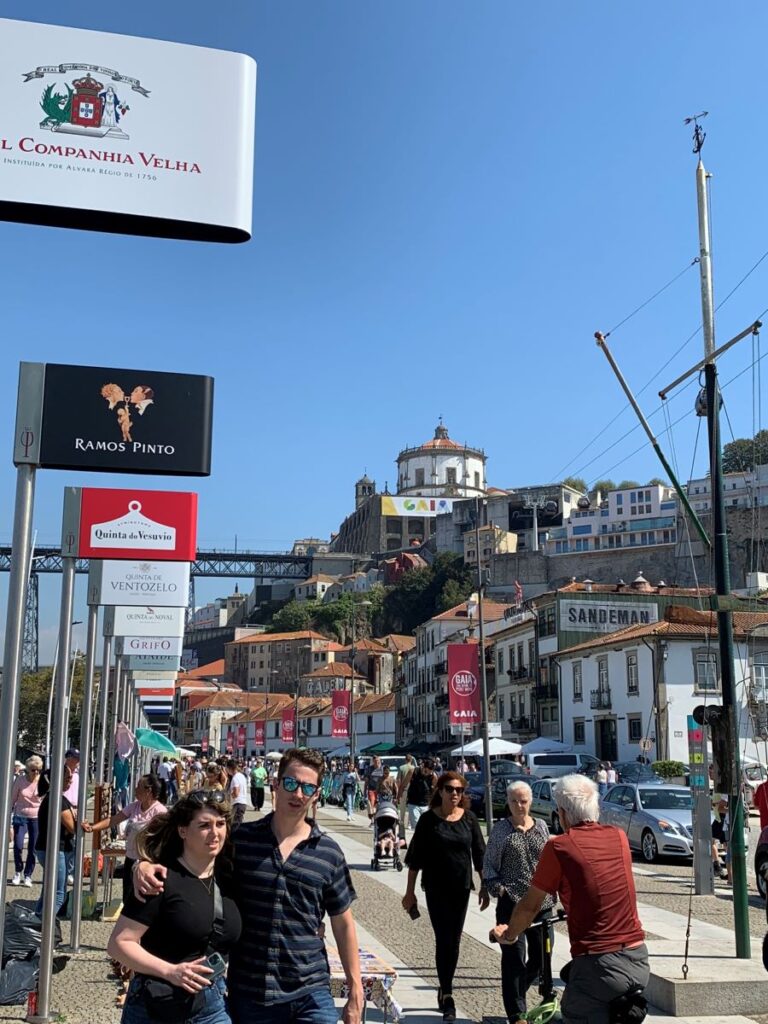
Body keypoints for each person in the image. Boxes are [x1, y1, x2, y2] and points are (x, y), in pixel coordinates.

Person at [134, 747, 364, 1024]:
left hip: (310, 991)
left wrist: (356, 989)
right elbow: (191, 863)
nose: (298, 794)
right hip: (252, 992)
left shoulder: (329, 853)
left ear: (316, 794)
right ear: (275, 785)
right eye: (291, 783)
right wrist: (142, 865)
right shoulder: (241, 842)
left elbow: (343, 922)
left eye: (307, 787)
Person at [492, 774, 649, 1024]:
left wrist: (509, 935)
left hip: (598, 964)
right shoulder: (619, 837)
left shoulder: (560, 847)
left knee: (570, 1014)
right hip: (638, 960)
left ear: (562, 814)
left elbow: (530, 906)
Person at [108, 790, 241, 1024]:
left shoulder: (230, 875)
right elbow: (119, 944)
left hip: (211, 1004)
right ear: (183, 831)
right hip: (157, 1003)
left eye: (220, 824)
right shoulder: (158, 879)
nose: (215, 833)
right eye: (204, 825)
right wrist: (171, 971)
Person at [403, 771, 489, 1022]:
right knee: (444, 939)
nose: (455, 794)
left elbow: (480, 855)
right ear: (440, 790)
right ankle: (448, 993)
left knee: (455, 940)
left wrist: (484, 886)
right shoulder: (429, 820)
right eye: (450, 789)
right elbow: (414, 858)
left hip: (461, 888)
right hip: (435, 888)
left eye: (459, 790)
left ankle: (444, 986)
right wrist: (409, 893)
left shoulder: (470, 819)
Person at [483, 780, 554, 1024]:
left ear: (531, 802)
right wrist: (498, 890)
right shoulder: (501, 830)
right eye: (514, 801)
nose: (519, 805)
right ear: (508, 802)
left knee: (541, 957)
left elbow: (550, 861)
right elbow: (489, 865)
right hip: (511, 901)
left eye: (523, 801)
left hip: (541, 903)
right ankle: (517, 1013)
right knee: (513, 957)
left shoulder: (542, 826)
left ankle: (517, 992)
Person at [81, 774, 167, 902]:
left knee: (144, 898)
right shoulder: (135, 806)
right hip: (131, 858)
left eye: (138, 787)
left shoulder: (160, 812)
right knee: (128, 897)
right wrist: (93, 827)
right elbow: (114, 820)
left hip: (148, 862)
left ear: (148, 791)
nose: (135, 789)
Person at [35, 765, 76, 916]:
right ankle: (45, 928)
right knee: (58, 894)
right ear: (59, 778)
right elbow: (73, 827)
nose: (71, 781)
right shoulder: (57, 800)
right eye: (68, 777)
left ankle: (35, 924)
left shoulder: (54, 798)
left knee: (47, 891)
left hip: (47, 848)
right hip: (53, 849)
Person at [10, 755, 44, 887]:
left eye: (38, 770)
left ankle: (28, 875)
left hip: (36, 818)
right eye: (33, 770)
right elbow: (12, 799)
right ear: (28, 769)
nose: (36, 773)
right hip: (20, 816)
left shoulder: (41, 781)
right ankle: (18, 871)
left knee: (33, 848)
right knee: (18, 845)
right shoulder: (20, 780)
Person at [406, 758, 437, 830]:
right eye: (426, 771)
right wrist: (399, 795)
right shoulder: (414, 771)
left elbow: (435, 791)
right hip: (413, 802)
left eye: (429, 772)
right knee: (416, 826)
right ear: (423, 767)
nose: (427, 773)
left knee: (426, 827)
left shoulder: (433, 776)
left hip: (425, 804)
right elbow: (404, 784)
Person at [395, 754, 415, 839]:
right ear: (411, 760)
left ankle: (402, 824)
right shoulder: (414, 768)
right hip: (412, 790)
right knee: (411, 807)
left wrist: (398, 791)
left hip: (403, 790)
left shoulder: (401, 768)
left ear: (405, 759)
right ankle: (410, 823)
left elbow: (398, 780)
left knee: (402, 809)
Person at [226, 760, 249, 830]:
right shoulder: (242, 776)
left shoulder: (235, 778)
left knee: (235, 824)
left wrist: (231, 795)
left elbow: (236, 792)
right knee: (238, 823)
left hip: (237, 803)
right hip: (243, 802)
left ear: (230, 768)